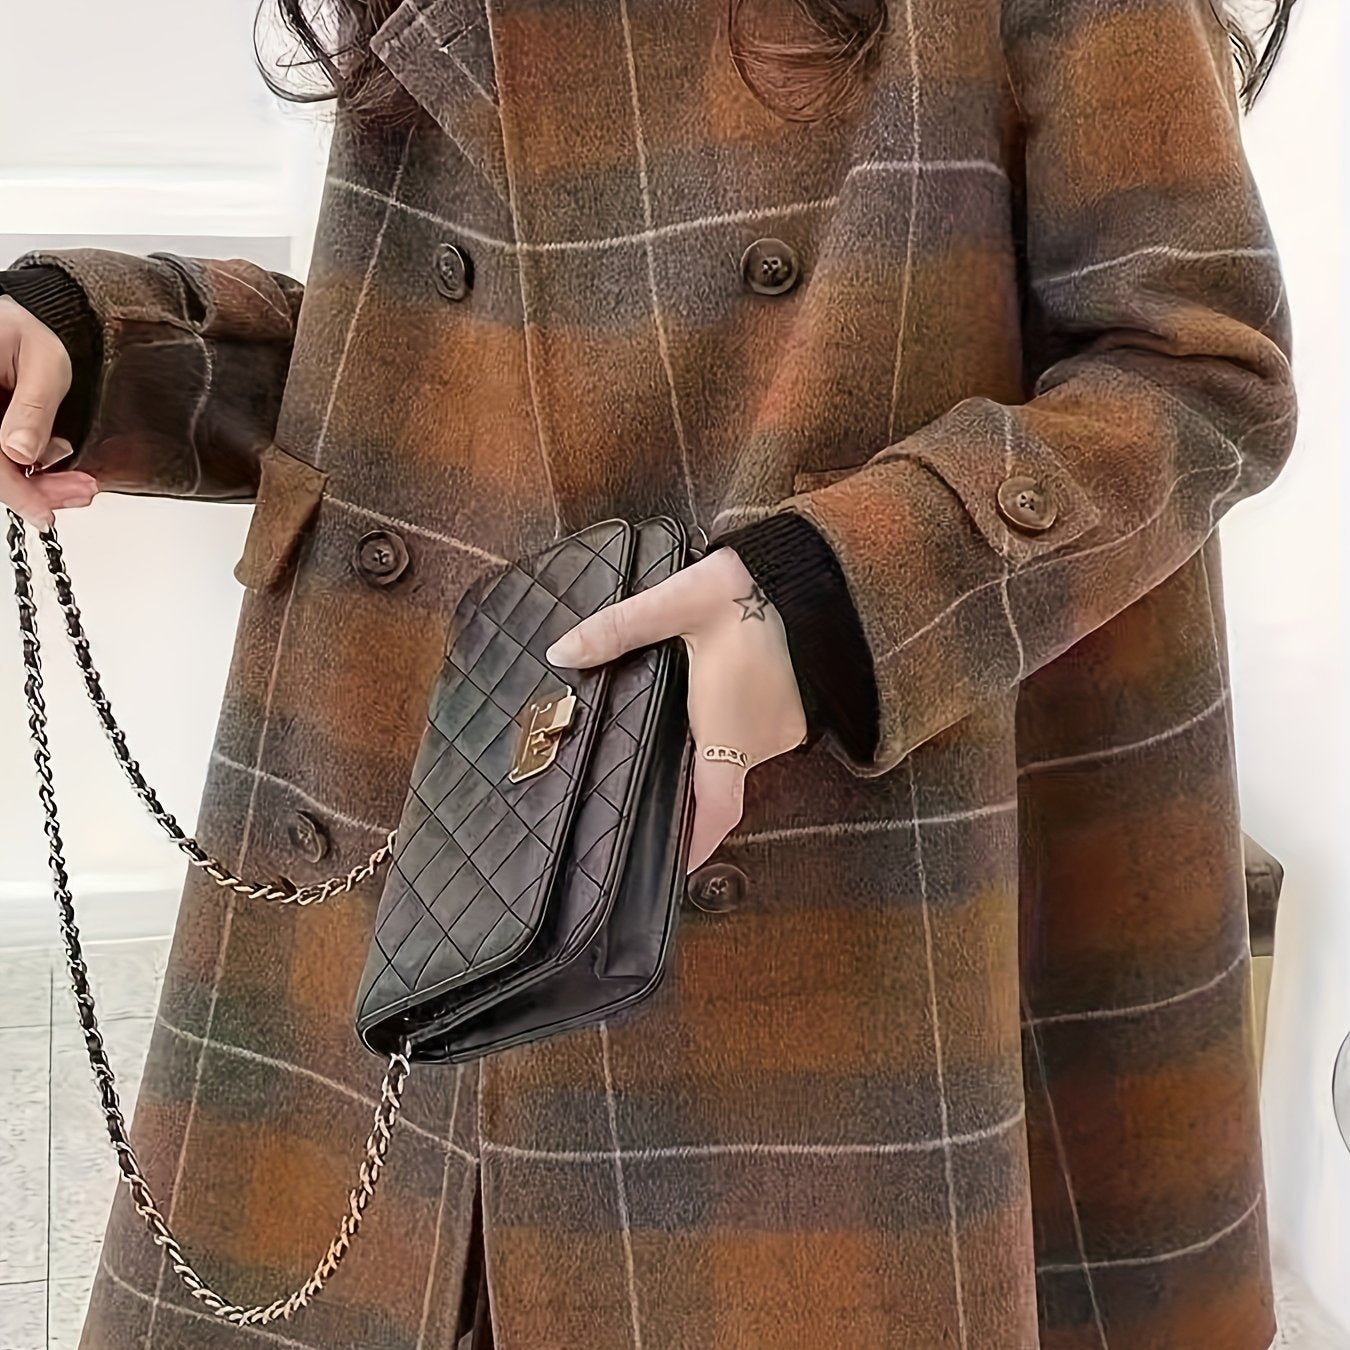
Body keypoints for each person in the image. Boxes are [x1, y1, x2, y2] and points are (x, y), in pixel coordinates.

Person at [0, 0, 1300, 1344]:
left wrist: (835, 599)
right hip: (434, 825)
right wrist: (107, 347)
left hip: (813, 883)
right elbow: (461, 346)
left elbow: (1198, 370)